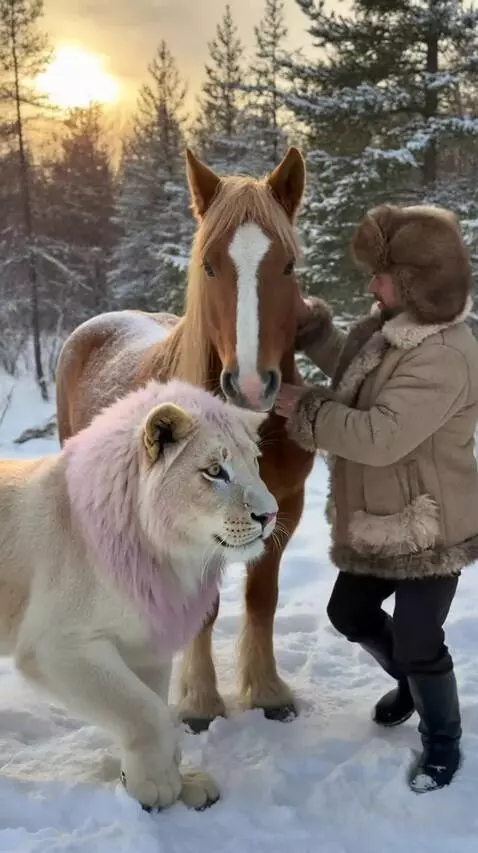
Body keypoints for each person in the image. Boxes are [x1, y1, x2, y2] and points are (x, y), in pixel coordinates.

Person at [277, 203, 478, 793]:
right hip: (382, 518)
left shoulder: (442, 354)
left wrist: (308, 412)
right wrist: (313, 329)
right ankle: (413, 684)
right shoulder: (394, 331)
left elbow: (381, 435)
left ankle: (443, 740)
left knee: (419, 639)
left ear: (415, 283)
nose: (371, 285)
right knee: (349, 613)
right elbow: (354, 372)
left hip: (431, 525)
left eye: (381, 275)